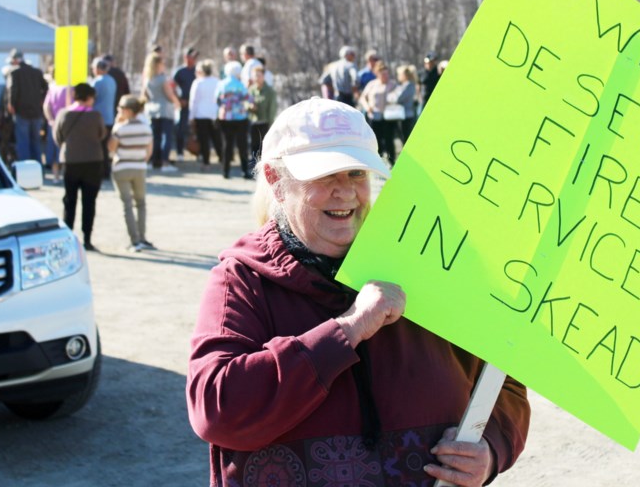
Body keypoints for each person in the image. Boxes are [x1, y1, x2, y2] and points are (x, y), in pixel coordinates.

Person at [187, 98, 530, 487]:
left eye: (355, 172)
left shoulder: (421, 266)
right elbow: (216, 411)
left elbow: (504, 380)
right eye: (324, 175)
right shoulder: (241, 281)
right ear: (274, 180)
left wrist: (490, 449)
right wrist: (347, 330)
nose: (345, 192)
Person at [54, 83, 107, 251]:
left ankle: (68, 237)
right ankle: (87, 238)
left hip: (71, 161)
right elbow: (102, 134)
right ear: (89, 97)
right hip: (93, 161)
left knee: (70, 200)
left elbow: (58, 136)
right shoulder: (96, 115)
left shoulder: (64, 114)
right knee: (89, 201)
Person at [109, 95, 154, 252]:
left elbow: (111, 149)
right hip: (140, 167)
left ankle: (134, 240)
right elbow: (149, 151)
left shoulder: (120, 128)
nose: (118, 111)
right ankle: (142, 237)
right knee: (141, 203)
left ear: (127, 111)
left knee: (127, 205)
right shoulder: (146, 127)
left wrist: (117, 123)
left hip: (121, 168)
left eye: (120, 108)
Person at [5, 48, 48, 164]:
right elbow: (46, 88)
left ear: (15, 60)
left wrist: (11, 105)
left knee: (23, 141)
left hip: (22, 111)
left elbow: (12, 90)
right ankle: (38, 165)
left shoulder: (14, 73)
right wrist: (41, 101)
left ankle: (25, 167)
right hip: (36, 112)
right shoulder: (36, 72)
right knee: (35, 141)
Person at [142, 51, 180, 172]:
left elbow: (145, 95)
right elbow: (169, 94)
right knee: (166, 137)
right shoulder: (162, 79)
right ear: (158, 64)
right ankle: (164, 163)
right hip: (164, 110)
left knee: (154, 137)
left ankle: (152, 161)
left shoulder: (147, 79)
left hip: (151, 110)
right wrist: (177, 102)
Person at [215, 60, 251, 180]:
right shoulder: (240, 85)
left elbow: (216, 99)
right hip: (240, 118)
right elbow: (248, 98)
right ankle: (245, 171)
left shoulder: (221, 84)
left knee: (227, 144)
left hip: (225, 118)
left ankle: (225, 171)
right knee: (242, 145)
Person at [359, 61, 398, 164]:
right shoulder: (372, 84)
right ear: (377, 74)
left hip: (389, 117)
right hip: (374, 116)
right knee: (376, 141)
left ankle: (392, 162)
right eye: (382, 74)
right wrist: (367, 107)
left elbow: (398, 97)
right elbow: (363, 97)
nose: (385, 76)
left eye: (386, 73)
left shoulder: (392, 84)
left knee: (389, 140)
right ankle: (378, 163)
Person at [189, 59, 224, 171]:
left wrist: (191, 116)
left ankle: (206, 162)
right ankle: (222, 158)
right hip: (214, 114)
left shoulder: (198, 82)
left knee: (204, 140)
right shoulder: (217, 81)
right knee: (216, 138)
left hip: (201, 115)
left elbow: (193, 101)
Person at [43, 68, 73, 183]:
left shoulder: (53, 87)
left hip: (54, 124)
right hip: (67, 123)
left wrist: (51, 120)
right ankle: (65, 175)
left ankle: (55, 176)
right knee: (65, 150)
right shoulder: (70, 88)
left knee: (55, 150)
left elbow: (46, 106)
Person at [171, 47, 199, 162]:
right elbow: (171, 87)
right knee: (181, 129)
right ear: (186, 57)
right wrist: (178, 100)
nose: (193, 59)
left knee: (197, 129)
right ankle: (179, 152)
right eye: (191, 56)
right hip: (184, 104)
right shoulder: (180, 72)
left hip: (196, 105)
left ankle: (198, 152)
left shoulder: (197, 71)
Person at [91, 56, 117, 177]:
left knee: (98, 147)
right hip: (109, 117)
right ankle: (106, 171)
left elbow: (91, 98)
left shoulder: (97, 81)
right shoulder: (112, 80)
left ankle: (100, 171)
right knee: (105, 146)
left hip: (98, 117)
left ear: (98, 68)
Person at [247, 64, 277, 169]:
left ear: (263, 76)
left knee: (263, 146)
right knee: (253, 145)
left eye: (259, 75)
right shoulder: (251, 90)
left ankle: (264, 166)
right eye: (255, 76)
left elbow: (272, 109)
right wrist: (250, 106)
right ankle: (253, 166)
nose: (257, 78)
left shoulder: (270, 91)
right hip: (253, 121)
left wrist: (270, 124)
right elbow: (246, 102)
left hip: (264, 122)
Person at [390, 63, 419, 143]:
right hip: (403, 115)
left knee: (406, 138)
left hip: (406, 116)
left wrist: (392, 96)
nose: (398, 76)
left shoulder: (408, 85)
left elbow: (397, 98)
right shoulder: (403, 85)